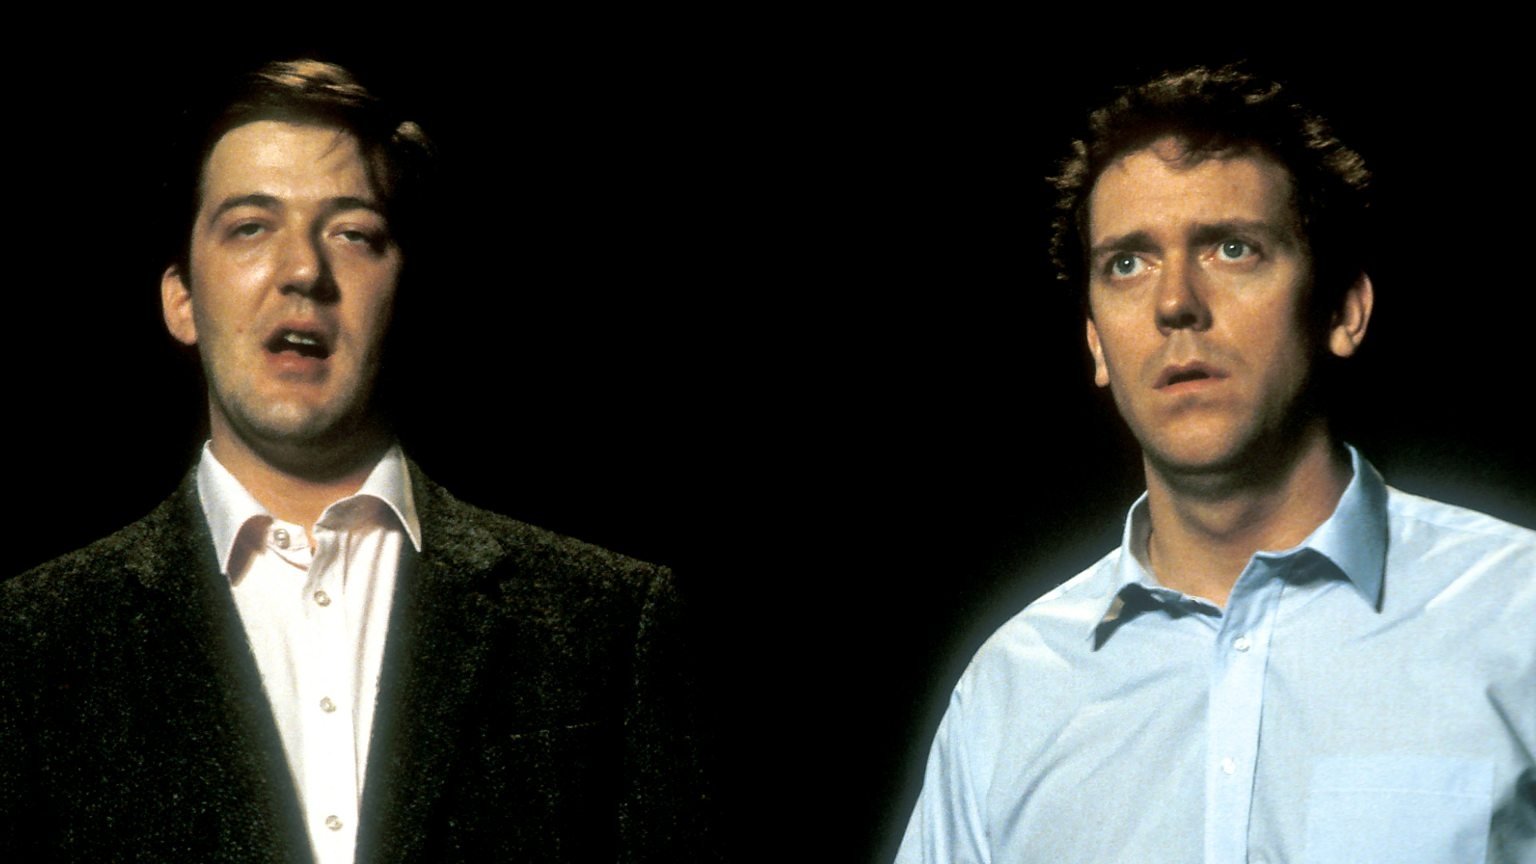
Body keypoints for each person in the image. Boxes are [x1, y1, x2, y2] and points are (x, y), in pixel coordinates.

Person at [0, 59, 712, 864]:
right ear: (182, 299)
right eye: (250, 226)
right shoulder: (28, 644)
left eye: (354, 233)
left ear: (402, 288)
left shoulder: (608, 624)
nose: (305, 271)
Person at [896, 65, 1535, 863]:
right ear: (1096, 343)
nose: (1175, 303)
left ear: (1343, 309)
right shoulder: (1011, 694)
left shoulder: (1518, 619)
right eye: (1127, 264)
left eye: (1233, 249)